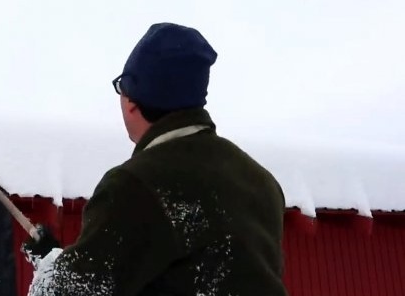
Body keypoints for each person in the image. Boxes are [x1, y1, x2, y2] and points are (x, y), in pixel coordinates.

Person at [22, 22, 288, 296]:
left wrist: (49, 268)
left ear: (131, 101)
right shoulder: (261, 181)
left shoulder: (135, 185)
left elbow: (74, 292)